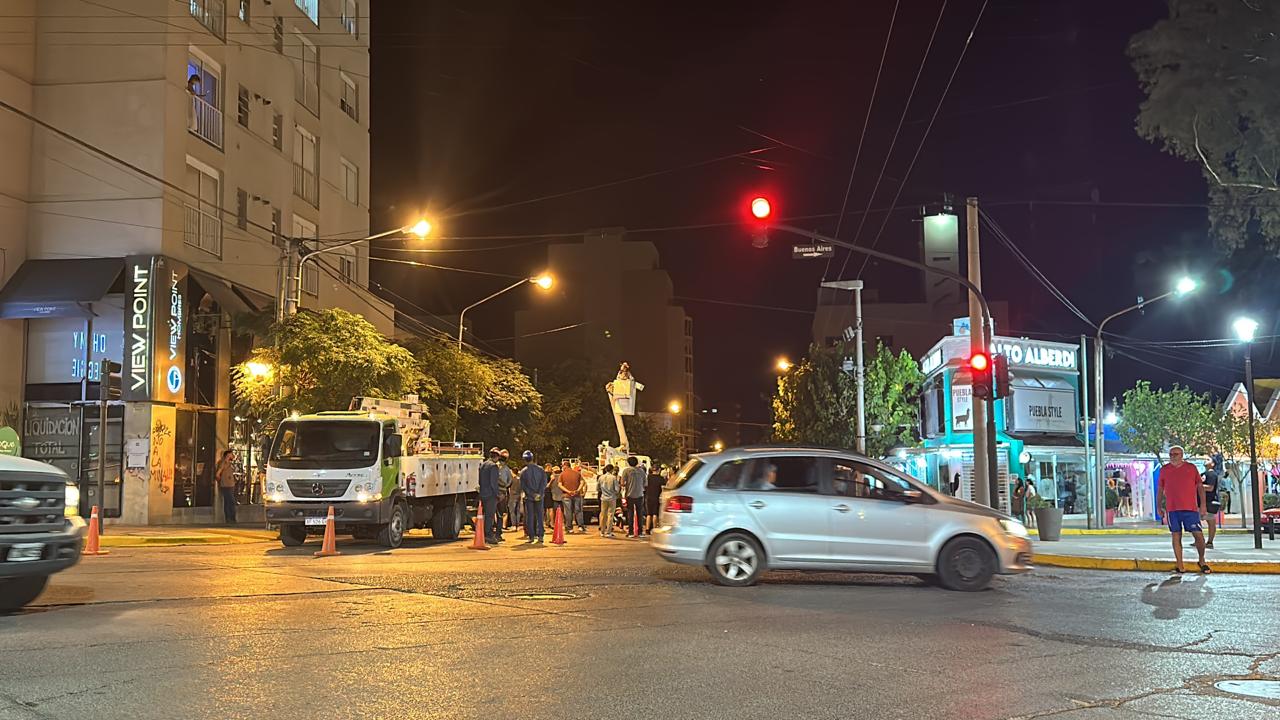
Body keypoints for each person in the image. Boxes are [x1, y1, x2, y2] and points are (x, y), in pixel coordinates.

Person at [1157, 446, 1210, 574]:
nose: (1173, 457)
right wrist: (1159, 506)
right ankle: (1180, 565)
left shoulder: (1191, 468)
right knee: (1176, 535)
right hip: (1172, 509)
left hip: (1190, 508)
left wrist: (1203, 505)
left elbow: (1200, 487)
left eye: (1176, 454)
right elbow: (1160, 489)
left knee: (1198, 535)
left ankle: (1202, 560)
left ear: (1182, 455)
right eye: (1171, 454)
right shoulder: (1164, 470)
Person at [519, 451, 548, 543]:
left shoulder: (523, 471)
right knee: (540, 516)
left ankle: (531, 536)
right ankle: (540, 536)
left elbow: (523, 486)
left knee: (530, 517)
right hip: (540, 496)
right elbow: (544, 483)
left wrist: (532, 494)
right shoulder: (541, 469)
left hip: (529, 497)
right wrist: (539, 493)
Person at [478, 447, 503, 544]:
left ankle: (484, 533)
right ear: (497, 457)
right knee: (490, 515)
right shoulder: (493, 466)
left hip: (483, 493)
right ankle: (488, 535)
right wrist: (498, 494)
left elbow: (480, 480)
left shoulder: (483, 465)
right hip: (491, 495)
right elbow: (494, 483)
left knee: (485, 515)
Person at [621, 456, 647, 538]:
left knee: (630, 513)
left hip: (630, 494)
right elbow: (645, 484)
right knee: (640, 513)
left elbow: (622, 483)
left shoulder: (626, 471)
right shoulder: (642, 471)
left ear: (628, 463)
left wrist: (629, 484)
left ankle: (631, 532)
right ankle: (640, 532)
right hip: (640, 494)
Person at [559, 460, 586, 533]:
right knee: (578, 511)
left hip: (566, 495)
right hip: (577, 495)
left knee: (568, 512)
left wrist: (568, 491)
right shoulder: (577, 473)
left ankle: (569, 528)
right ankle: (580, 526)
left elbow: (560, 485)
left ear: (565, 466)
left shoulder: (562, 474)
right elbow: (582, 482)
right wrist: (577, 490)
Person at [1202, 458, 1221, 549]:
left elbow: (1210, 488)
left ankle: (1210, 542)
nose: (1205, 460)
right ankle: (1199, 540)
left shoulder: (1212, 474)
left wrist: (1198, 486)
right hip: (1200, 502)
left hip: (1209, 501)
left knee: (1211, 522)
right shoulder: (1203, 474)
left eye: (1208, 459)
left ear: (1213, 464)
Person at [597, 464, 620, 537]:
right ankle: (608, 532)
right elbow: (617, 489)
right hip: (612, 498)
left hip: (603, 498)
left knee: (603, 514)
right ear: (612, 470)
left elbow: (598, 488)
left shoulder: (601, 477)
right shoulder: (613, 478)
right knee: (610, 515)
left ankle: (602, 531)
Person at [216, 449, 237, 525]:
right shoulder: (223, 463)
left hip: (230, 485)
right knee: (230, 502)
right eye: (231, 454)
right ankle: (230, 518)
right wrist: (221, 482)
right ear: (228, 455)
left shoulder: (230, 464)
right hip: (226, 486)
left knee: (229, 502)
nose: (233, 456)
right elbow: (218, 474)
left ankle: (231, 518)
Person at [497, 450, 514, 530]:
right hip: (502, 491)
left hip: (496, 490)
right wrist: (505, 486)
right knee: (502, 511)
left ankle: (497, 527)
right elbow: (510, 480)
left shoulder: (495, 467)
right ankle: (500, 527)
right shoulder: (506, 469)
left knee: (496, 510)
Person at [645, 463, 665, 532]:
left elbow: (645, 486)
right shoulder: (661, 478)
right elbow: (663, 489)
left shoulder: (648, 477)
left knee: (648, 514)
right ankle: (654, 528)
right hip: (656, 497)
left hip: (648, 497)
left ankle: (647, 529)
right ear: (659, 470)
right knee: (655, 513)